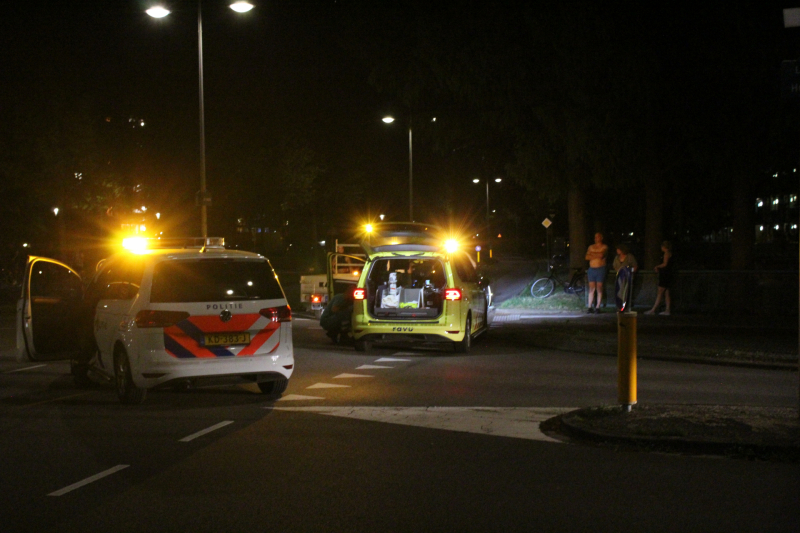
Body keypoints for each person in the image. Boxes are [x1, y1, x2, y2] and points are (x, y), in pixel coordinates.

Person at [645, 241, 673, 316]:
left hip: (665, 275)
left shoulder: (666, 254)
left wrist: (657, 266)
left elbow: (665, 264)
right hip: (667, 275)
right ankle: (667, 310)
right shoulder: (669, 253)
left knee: (660, 292)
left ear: (664, 247)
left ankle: (653, 309)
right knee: (667, 293)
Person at [584, 232, 608, 313]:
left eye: (598, 237)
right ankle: (589, 306)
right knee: (591, 288)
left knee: (599, 288)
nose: (596, 238)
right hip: (592, 269)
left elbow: (602, 255)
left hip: (600, 269)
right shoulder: (591, 246)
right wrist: (597, 254)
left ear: (601, 237)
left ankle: (597, 307)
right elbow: (587, 257)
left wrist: (592, 254)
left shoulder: (604, 246)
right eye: (595, 237)